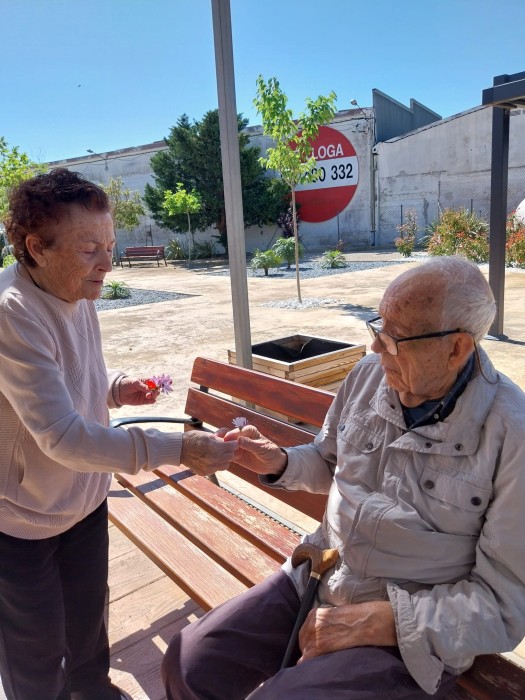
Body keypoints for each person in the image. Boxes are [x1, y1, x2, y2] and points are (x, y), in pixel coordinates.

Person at [162, 256, 525, 699]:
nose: (375, 347)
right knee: (188, 662)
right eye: (378, 327)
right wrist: (279, 461)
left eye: (394, 338)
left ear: (456, 349)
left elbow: (504, 606)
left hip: (410, 633)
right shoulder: (370, 376)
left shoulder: (512, 434)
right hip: (319, 574)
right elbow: (329, 460)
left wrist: (378, 621)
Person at [0, 168, 237, 700]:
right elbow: (63, 437)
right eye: (89, 249)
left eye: (109, 245)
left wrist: (115, 388)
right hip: (20, 518)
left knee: (88, 626)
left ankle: (94, 692)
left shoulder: (76, 289)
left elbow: (70, 377)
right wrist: (180, 447)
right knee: (34, 652)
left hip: (84, 498)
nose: (107, 262)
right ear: (37, 248)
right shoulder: (11, 312)